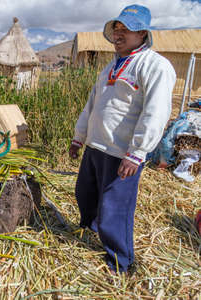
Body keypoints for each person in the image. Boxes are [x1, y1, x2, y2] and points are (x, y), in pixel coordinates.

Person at [69, 4, 176, 274]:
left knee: (115, 209)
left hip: (121, 153)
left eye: (125, 29)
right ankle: (91, 232)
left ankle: (121, 262)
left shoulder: (155, 66)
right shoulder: (109, 68)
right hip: (96, 147)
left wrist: (137, 153)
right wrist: (79, 137)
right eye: (116, 28)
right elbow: (92, 105)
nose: (118, 34)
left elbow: (156, 112)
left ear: (142, 33)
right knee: (85, 195)